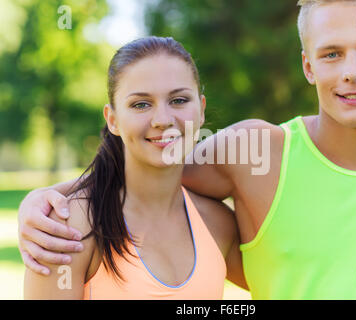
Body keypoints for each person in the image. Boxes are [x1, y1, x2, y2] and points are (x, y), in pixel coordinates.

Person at [19, 0, 356, 299]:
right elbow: (148, 168)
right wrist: (48, 199)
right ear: (309, 67)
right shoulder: (255, 153)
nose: (352, 72)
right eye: (332, 54)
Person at [22, 36, 247, 299]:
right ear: (113, 119)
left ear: (201, 109)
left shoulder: (218, 224)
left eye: (179, 100)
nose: (163, 120)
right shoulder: (69, 229)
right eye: (141, 104)